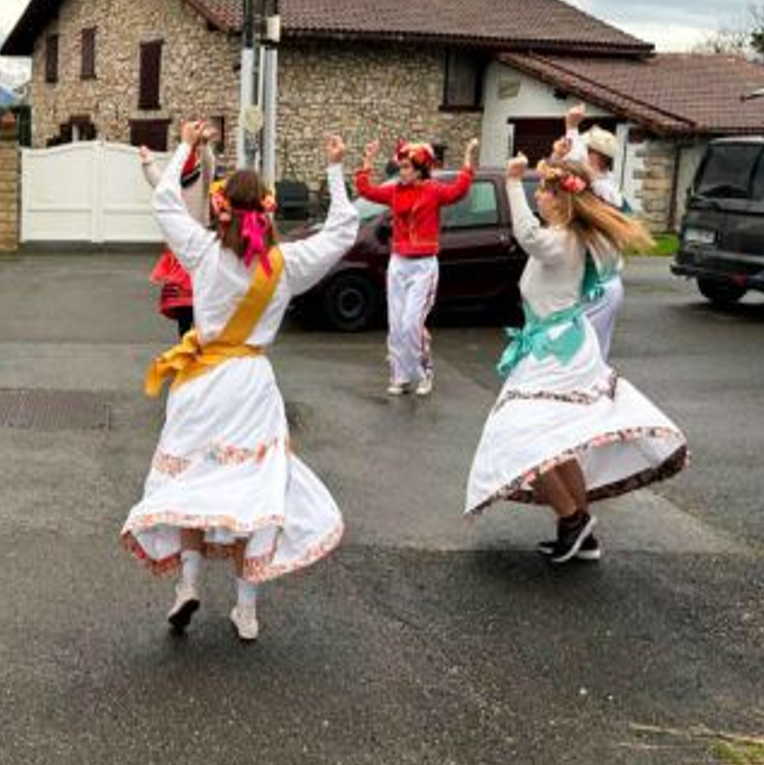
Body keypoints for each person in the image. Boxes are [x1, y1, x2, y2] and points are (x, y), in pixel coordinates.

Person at [121, 122, 361, 642]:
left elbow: (164, 201)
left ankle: (187, 584)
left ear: (222, 205)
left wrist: (186, 144)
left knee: (191, 477)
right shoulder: (286, 264)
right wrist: (336, 169)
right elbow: (343, 231)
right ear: (269, 210)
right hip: (251, 384)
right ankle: (246, 610)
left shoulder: (204, 251)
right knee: (254, 487)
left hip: (200, 381)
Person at [466, 152, 687, 563]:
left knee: (522, 438)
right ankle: (580, 530)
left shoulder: (564, 238)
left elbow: (528, 237)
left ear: (564, 200)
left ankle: (571, 520)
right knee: (556, 441)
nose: (541, 196)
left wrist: (514, 183)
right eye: (541, 190)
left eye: (548, 191)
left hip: (557, 350)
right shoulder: (565, 234)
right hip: (549, 345)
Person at [354, 138, 477, 396]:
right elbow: (365, 189)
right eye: (401, 167)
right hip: (398, 263)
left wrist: (467, 156)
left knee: (412, 323)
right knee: (396, 323)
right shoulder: (395, 191)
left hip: (423, 266)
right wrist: (368, 158)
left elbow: (460, 190)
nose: (402, 171)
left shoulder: (433, 190)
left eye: (407, 167)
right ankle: (400, 376)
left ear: (420, 169)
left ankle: (423, 372)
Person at [139, 127, 219, 337]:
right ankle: (187, 342)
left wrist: (204, 146)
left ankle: (197, 339)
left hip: (199, 248)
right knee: (184, 305)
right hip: (181, 253)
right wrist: (147, 162)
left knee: (200, 302)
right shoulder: (172, 184)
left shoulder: (202, 181)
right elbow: (156, 180)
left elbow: (209, 167)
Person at [561, 104, 627, 358]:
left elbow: (574, 165)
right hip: (600, 283)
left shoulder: (603, 188)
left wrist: (571, 127)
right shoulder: (604, 186)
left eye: (587, 150)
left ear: (596, 157)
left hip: (600, 286)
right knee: (593, 350)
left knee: (588, 353)